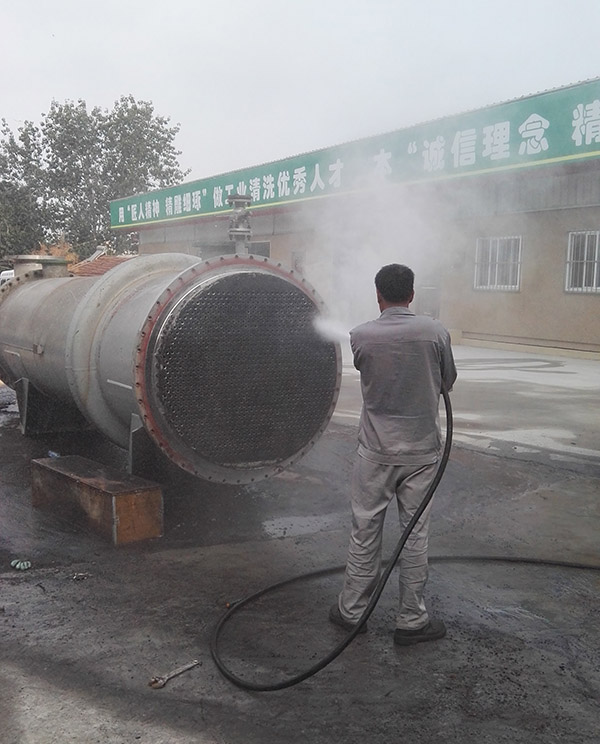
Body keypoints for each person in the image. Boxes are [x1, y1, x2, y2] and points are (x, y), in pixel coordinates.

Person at [329, 263, 457, 645]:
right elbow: (448, 380)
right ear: (412, 294)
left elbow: (367, 370)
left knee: (365, 530)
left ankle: (352, 612)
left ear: (378, 295)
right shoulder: (436, 332)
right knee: (415, 534)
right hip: (421, 452)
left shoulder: (360, 336)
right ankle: (412, 620)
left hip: (375, 451)